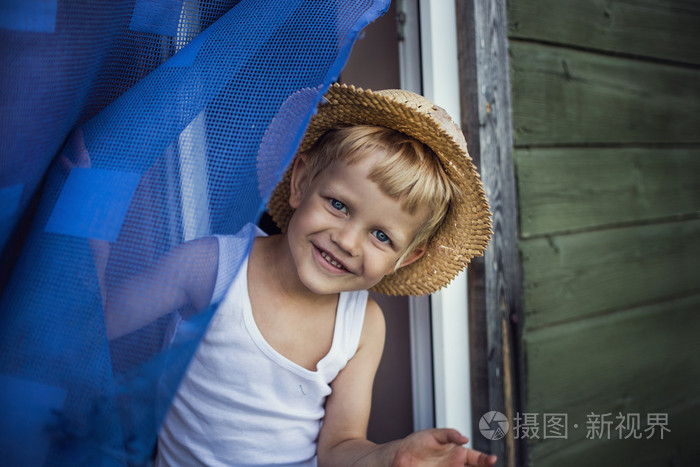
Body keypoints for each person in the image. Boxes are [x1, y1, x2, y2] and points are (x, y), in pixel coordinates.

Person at [103, 84, 495, 466]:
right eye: (339, 204)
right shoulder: (213, 266)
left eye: (381, 236)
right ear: (301, 182)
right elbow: (99, 320)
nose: (347, 241)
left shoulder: (362, 327)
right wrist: (92, 222)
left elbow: (338, 447)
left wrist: (388, 457)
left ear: (406, 259)